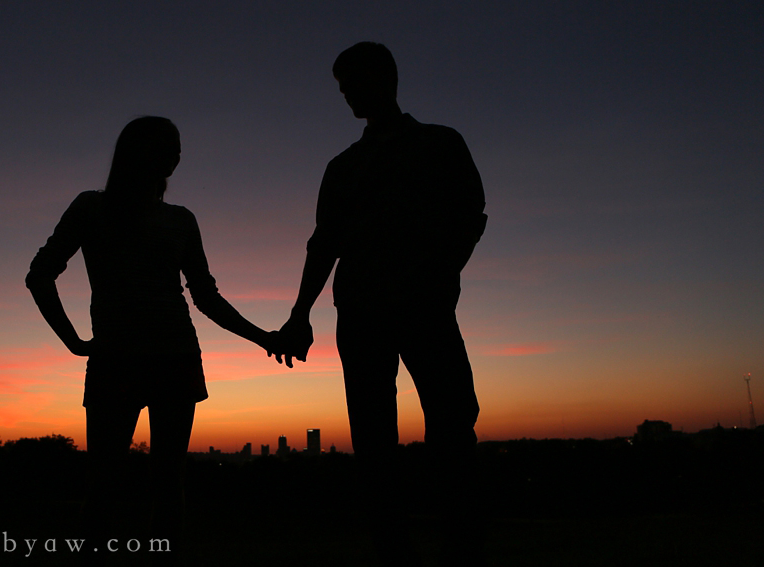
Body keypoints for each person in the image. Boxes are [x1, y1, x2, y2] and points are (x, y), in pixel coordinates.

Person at [25, 116, 277, 564]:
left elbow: (206, 296)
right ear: (140, 152)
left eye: (179, 147)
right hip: (116, 360)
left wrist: (263, 337)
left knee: (166, 485)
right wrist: (72, 340)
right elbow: (40, 275)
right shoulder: (90, 207)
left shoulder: (180, 220)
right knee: (104, 487)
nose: (178, 155)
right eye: (169, 146)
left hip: (175, 359)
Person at [275, 42, 488, 565]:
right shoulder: (343, 166)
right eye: (342, 86)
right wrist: (300, 312)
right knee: (373, 434)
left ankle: (459, 542)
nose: (346, 94)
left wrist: (441, 272)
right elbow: (324, 242)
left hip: (424, 306)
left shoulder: (438, 143)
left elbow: (471, 214)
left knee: (453, 420)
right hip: (363, 312)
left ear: (386, 78)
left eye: (353, 82)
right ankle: (394, 548)